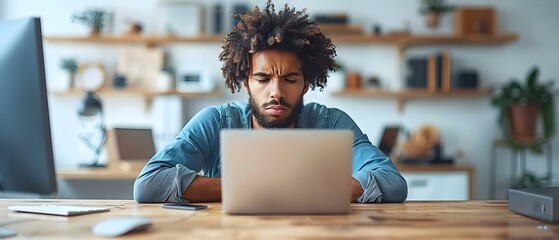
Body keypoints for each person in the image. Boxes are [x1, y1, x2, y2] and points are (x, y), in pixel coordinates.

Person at [134, 1, 407, 204]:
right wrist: (251, 187)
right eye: (263, 79)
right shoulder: (215, 122)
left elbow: (393, 184)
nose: (276, 92)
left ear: (306, 85)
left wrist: (299, 190)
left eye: (290, 79)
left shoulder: (331, 122)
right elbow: (148, 185)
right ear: (246, 83)